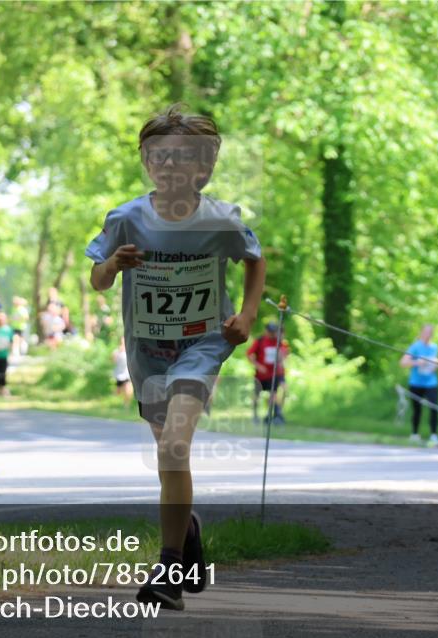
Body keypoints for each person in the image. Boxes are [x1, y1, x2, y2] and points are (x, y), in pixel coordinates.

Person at [85, 104, 266, 610]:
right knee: (168, 454)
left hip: (203, 344)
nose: (169, 167)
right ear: (147, 162)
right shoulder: (126, 218)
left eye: (182, 158)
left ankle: (167, 568)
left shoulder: (222, 220)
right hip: (148, 352)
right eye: (158, 158)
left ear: (204, 167)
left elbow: (255, 261)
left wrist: (247, 316)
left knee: (174, 448)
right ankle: (186, 530)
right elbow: (97, 279)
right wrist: (114, 267)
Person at [399, 324, 438, 447]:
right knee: (417, 409)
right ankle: (415, 433)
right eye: (426, 332)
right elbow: (403, 362)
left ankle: (434, 435)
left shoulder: (434, 347)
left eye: (430, 332)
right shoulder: (415, 347)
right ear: (422, 332)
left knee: (434, 408)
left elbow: (436, 362)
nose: (428, 335)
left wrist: (437, 363)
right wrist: (417, 362)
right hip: (416, 383)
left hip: (431, 382)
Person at [246, 322, 290, 425]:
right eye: (270, 332)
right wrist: (258, 366)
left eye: (273, 332)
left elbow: (284, 356)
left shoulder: (279, 342)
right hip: (260, 376)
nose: (271, 334)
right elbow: (249, 354)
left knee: (273, 395)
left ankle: (270, 415)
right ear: (266, 331)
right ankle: (255, 414)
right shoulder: (260, 341)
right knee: (257, 395)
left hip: (272, 375)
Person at [112, 336, 133, 407]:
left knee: (128, 389)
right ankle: (113, 401)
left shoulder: (130, 349)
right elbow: (113, 361)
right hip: (119, 374)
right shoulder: (117, 351)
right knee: (118, 391)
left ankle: (126, 404)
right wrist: (118, 352)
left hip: (128, 373)